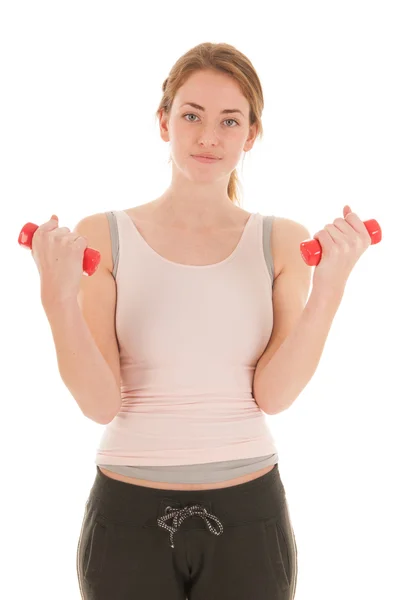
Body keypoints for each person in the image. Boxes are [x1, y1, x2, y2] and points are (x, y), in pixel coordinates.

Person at [33, 42, 371, 600]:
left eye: (229, 120)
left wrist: (331, 286)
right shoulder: (102, 235)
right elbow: (99, 403)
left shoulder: (281, 240)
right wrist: (56, 299)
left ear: (251, 134)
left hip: (248, 510)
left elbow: (275, 394)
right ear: (164, 122)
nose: (208, 136)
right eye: (191, 115)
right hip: (128, 509)